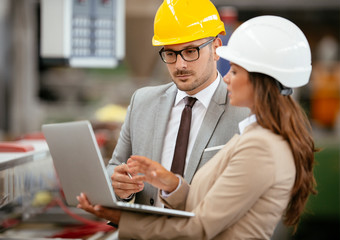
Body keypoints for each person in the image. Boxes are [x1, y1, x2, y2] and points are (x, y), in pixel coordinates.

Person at [78, 15, 317, 239]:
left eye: (234, 71)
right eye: (170, 53)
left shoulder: (261, 145)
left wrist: (121, 219)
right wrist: (171, 184)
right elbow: (208, 205)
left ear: (259, 80)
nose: (227, 78)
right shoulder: (255, 133)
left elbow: (200, 226)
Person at [107, 0, 248, 206]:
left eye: (191, 51)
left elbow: (241, 199)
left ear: (216, 48)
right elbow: (114, 167)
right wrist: (120, 186)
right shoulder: (142, 102)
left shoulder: (243, 112)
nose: (180, 65)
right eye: (171, 54)